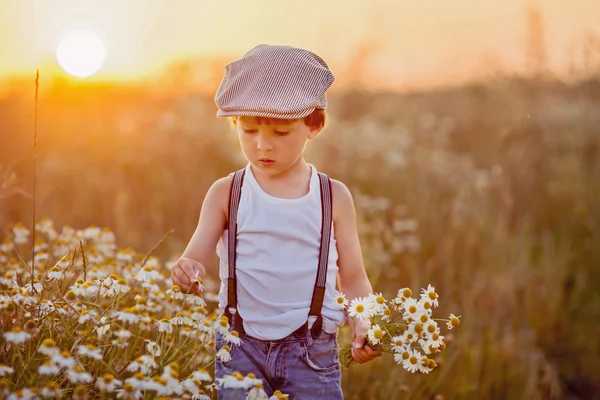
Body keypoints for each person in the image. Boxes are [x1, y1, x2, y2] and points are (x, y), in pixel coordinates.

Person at [171, 44, 381, 399]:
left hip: (312, 353)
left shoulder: (334, 197)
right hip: (239, 349)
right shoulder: (227, 193)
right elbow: (194, 258)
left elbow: (354, 277)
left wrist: (365, 320)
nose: (262, 146)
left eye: (280, 133)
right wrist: (185, 271)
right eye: (249, 131)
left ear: (313, 124)